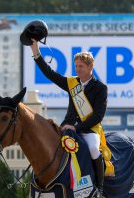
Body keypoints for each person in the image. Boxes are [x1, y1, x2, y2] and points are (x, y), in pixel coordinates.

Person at [30, 39, 108, 197]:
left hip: (89, 129)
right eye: (76, 66)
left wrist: (77, 128)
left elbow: (98, 116)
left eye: (81, 66)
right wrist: (35, 51)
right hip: (67, 127)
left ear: (90, 67)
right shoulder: (72, 83)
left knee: (93, 149)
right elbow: (50, 74)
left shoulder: (101, 88)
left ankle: (99, 187)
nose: (77, 69)